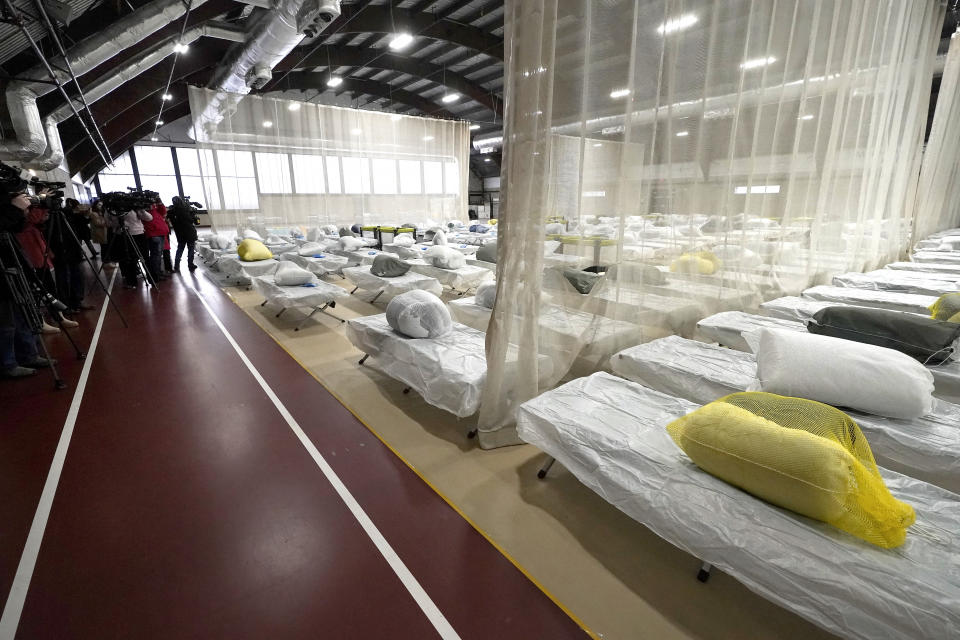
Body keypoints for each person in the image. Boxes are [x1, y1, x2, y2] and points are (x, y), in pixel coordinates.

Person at [0, 188, 55, 379]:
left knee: (24, 313)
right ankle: (8, 364)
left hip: (13, 261)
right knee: (6, 321)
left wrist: (21, 211)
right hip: (3, 269)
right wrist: (13, 209)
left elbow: (17, 227)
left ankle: (29, 354)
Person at [16, 205, 77, 331]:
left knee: (51, 290)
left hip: (41, 259)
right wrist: (42, 203)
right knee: (36, 294)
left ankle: (59, 318)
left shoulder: (32, 223)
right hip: (31, 261)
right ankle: (41, 323)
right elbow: (33, 218)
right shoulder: (19, 221)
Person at [110, 207, 152, 289]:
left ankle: (152, 279)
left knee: (145, 258)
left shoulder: (133, 207)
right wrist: (117, 221)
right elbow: (108, 223)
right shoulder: (111, 208)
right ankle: (131, 282)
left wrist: (141, 210)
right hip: (122, 235)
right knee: (128, 260)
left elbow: (149, 218)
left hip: (138, 235)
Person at [167, 196, 198, 272]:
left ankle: (176, 266)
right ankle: (190, 264)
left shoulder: (171, 211)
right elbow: (191, 221)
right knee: (190, 249)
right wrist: (192, 215)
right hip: (189, 233)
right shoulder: (184, 210)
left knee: (180, 249)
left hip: (179, 234)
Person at [143, 196, 169, 281]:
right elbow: (148, 217)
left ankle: (158, 273)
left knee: (158, 255)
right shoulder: (146, 211)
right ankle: (155, 275)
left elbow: (163, 212)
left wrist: (160, 203)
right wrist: (149, 206)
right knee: (155, 256)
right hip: (154, 234)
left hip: (160, 233)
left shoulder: (154, 210)